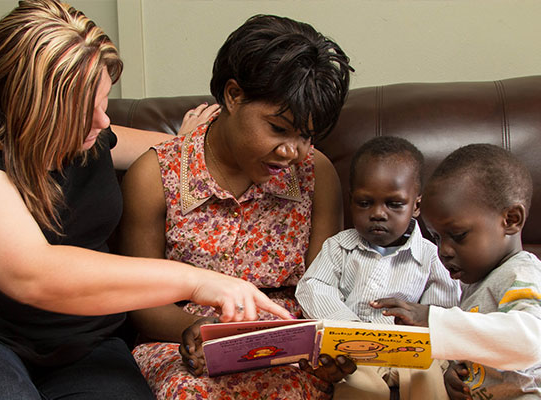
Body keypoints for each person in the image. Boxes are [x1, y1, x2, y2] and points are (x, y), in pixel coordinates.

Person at [0, 1, 293, 399]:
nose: (102, 121)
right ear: (26, 107)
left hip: (84, 341)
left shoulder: (88, 131)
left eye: (103, 100)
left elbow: (164, 150)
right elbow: (31, 272)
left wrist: (193, 145)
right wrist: (198, 282)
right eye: (81, 110)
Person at [117, 14, 355, 400]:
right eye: (279, 129)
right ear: (233, 96)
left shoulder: (316, 174)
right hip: (183, 343)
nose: (292, 151)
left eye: (306, 135)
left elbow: (321, 289)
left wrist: (326, 346)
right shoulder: (156, 174)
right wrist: (204, 333)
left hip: (289, 351)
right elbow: (143, 303)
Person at [296, 136, 461, 400]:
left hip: (410, 351)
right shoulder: (338, 247)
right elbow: (313, 287)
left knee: (427, 373)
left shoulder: (432, 256)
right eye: (365, 203)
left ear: (416, 205)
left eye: (394, 204)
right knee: (357, 384)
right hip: (356, 351)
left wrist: (422, 324)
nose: (378, 214)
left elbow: (443, 310)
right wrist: (349, 328)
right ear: (351, 201)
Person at [373, 143, 541, 400]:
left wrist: (432, 318)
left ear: (511, 220)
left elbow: (529, 343)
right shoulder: (478, 283)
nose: (445, 251)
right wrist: (454, 370)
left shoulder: (521, 274)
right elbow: (481, 342)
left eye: (458, 235)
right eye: (438, 238)